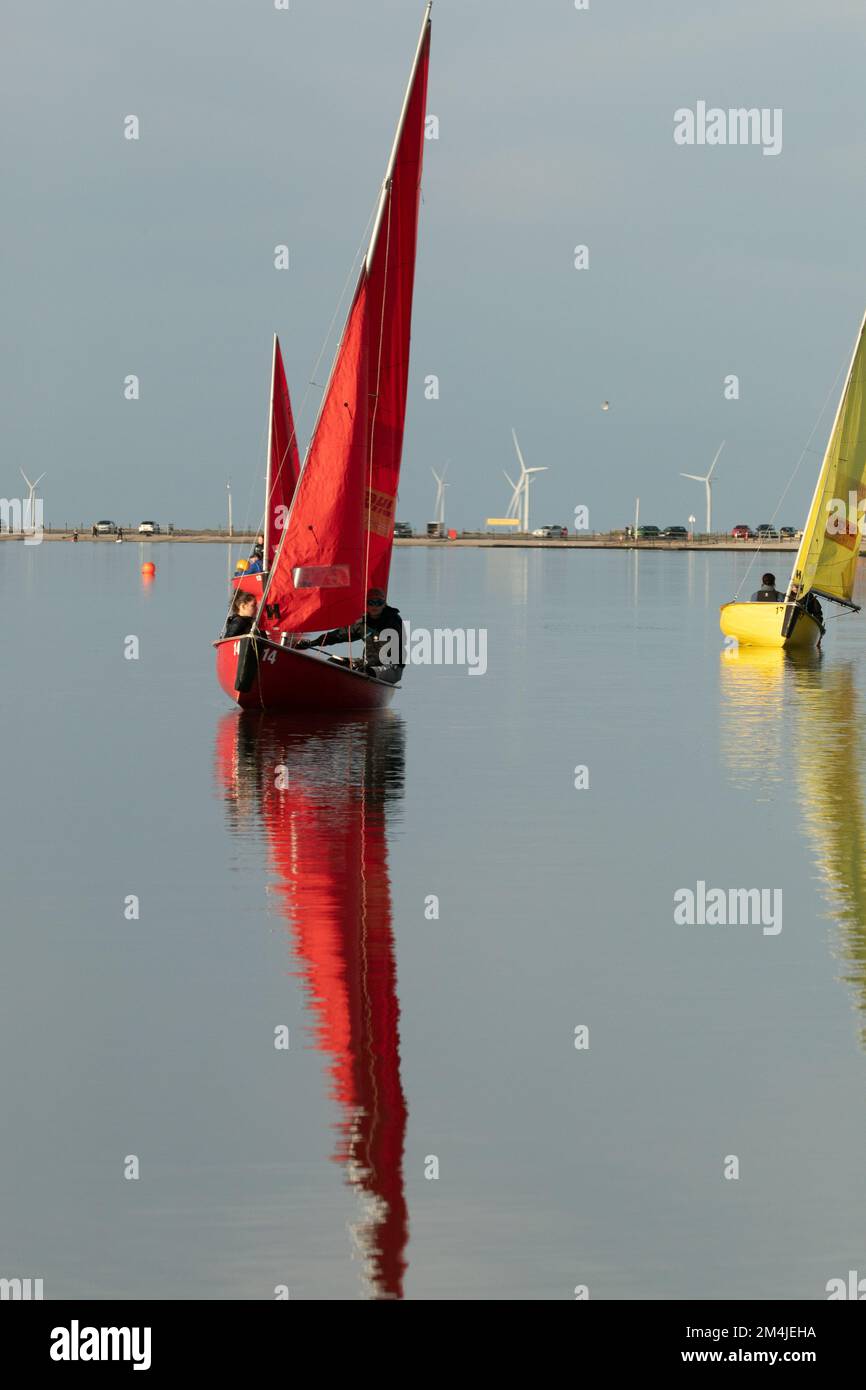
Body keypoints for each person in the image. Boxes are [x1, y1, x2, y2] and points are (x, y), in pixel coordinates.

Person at [296, 587, 404, 683]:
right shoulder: (363, 623)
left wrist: (364, 663)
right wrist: (312, 643)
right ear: (366, 604)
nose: (374, 606)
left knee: (368, 671)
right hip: (367, 663)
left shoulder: (392, 622)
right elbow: (339, 634)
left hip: (390, 667)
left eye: (378, 602)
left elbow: (386, 653)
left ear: (384, 604)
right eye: (371, 602)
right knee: (332, 663)